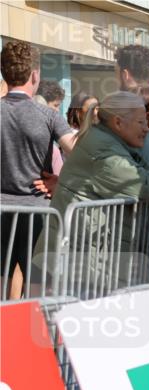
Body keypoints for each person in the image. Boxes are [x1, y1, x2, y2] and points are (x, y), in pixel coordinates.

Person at [34, 91, 149, 293]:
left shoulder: (107, 141)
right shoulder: (103, 150)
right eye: (141, 123)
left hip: (81, 256)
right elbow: (141, 184)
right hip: (74, 259)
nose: (147, 129)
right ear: (118, 123)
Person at [1, 40, 76, 299]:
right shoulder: (49, 115)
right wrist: (62, 181)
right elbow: (78, 153)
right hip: (39, 215)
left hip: (1, 213)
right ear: (35, 75)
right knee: (39, 290)